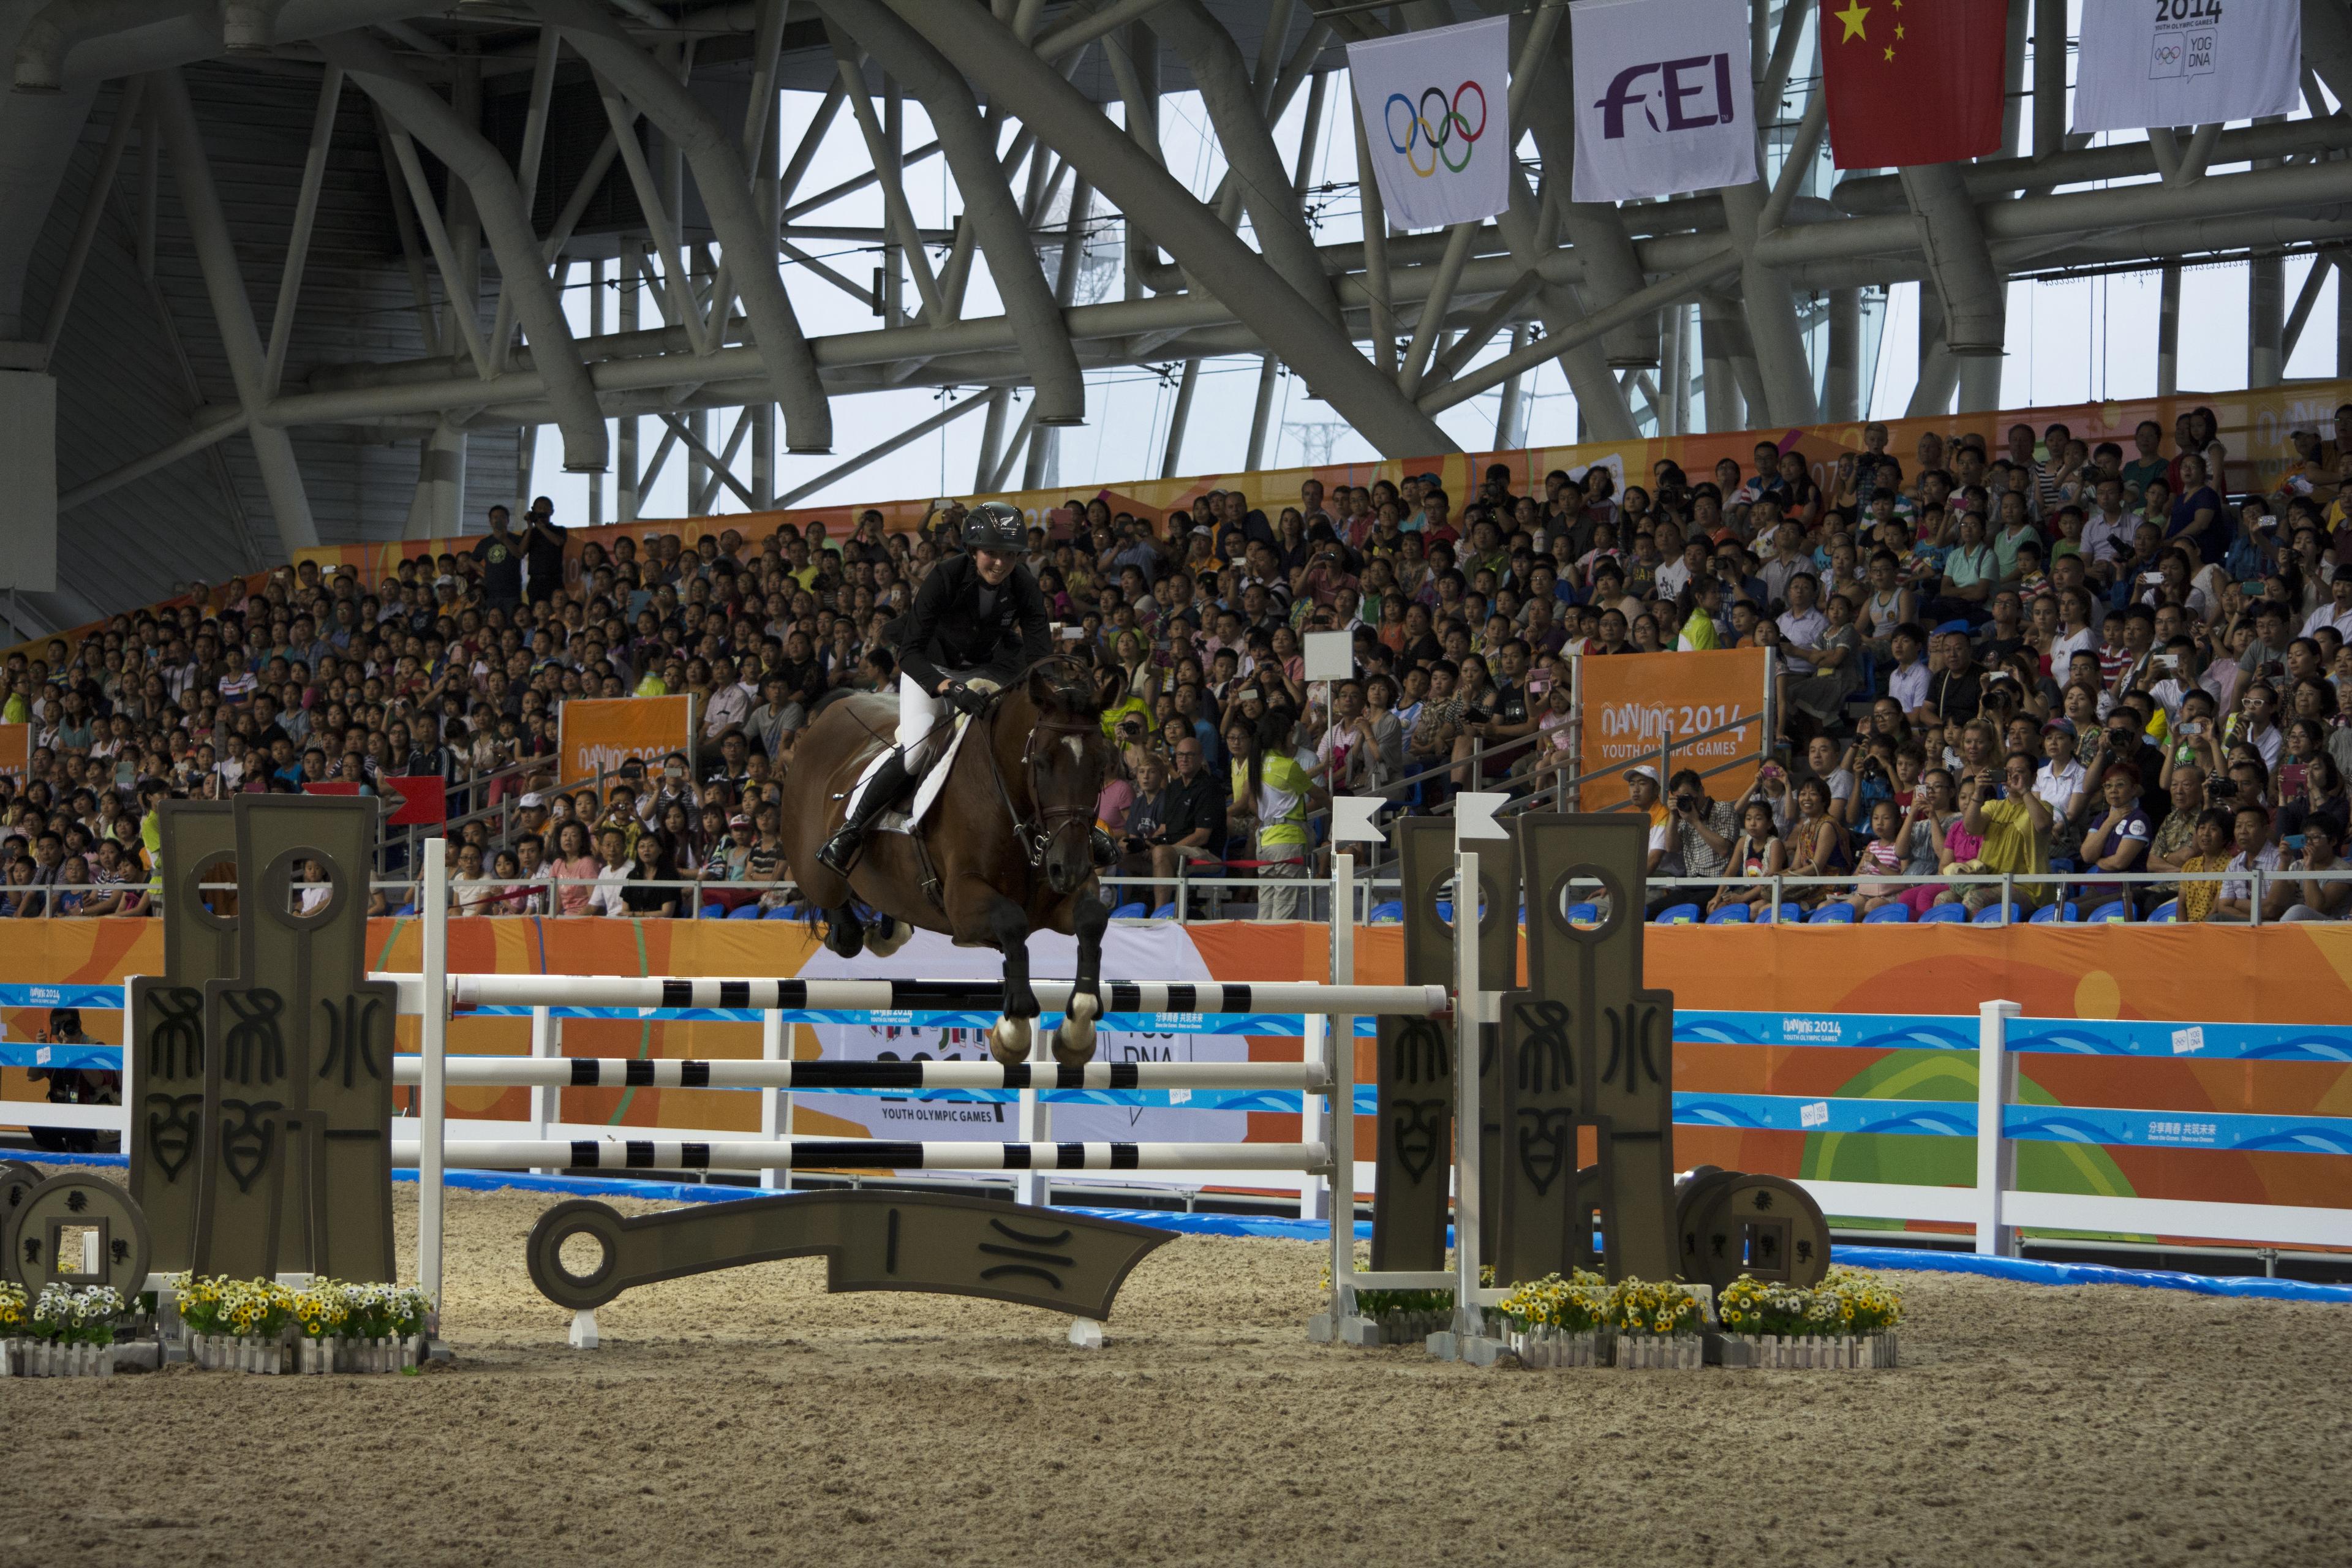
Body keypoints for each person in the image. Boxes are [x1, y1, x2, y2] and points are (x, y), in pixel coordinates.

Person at [820, 502, 1053, 873]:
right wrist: (948, 688)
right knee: (919, 745)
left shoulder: (1023, 583)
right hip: (930, 667)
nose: (1000, 563)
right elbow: (909, 653)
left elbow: (1041, 653)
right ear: (972, 550)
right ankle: (850, 830)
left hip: (989, 667)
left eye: (1010, 555)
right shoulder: (945, 577)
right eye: (991, 553)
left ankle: (1077, 830)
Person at [1225, 718, 1319, 920]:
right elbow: (1321, 797)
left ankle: (1262, 950)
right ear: (1281, 739)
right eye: (1289, 735)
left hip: (1264, 840)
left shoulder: (1256, 765)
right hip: (1288, 841)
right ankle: (1278, 951)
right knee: (1283, 909)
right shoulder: (1288, 766)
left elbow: (1251, 804)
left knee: (1266, 907)